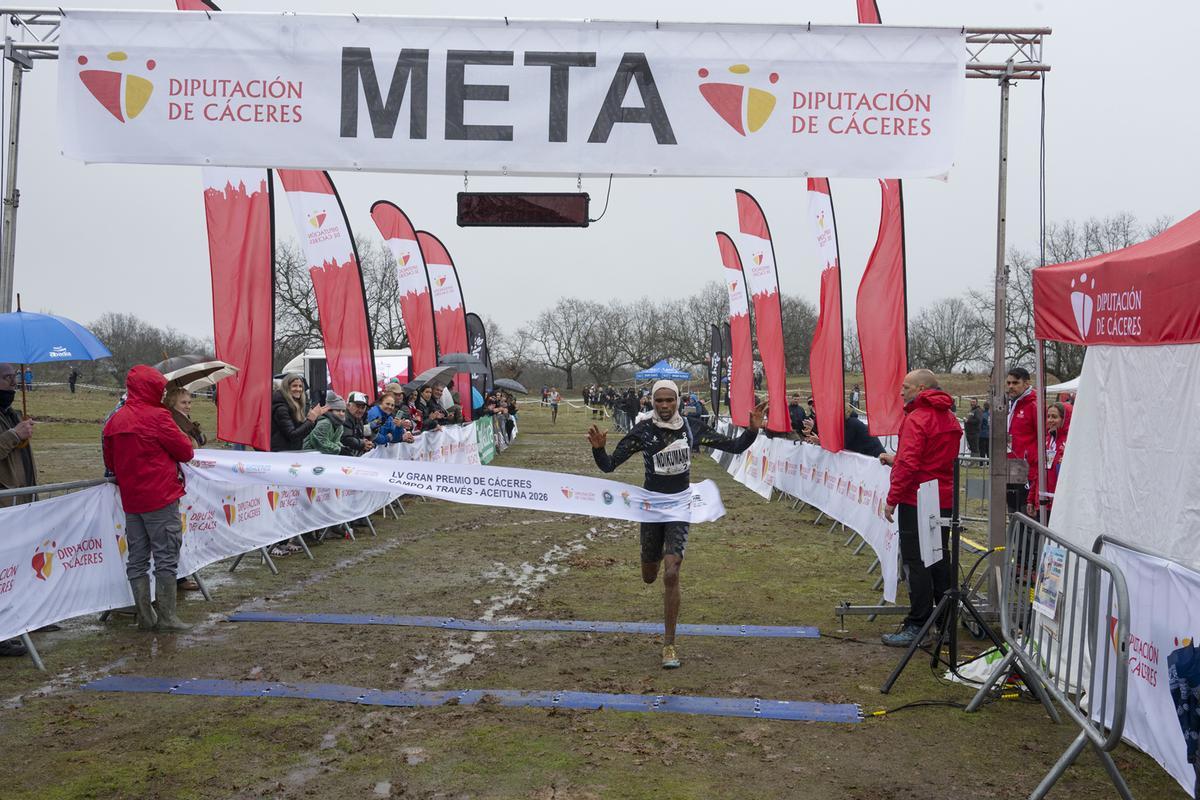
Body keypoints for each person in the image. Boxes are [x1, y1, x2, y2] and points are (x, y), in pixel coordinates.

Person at [587, 380, 766, 669]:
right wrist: (599, 450)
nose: (665, 406)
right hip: (651, 508)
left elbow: (732, 446)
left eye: (670, 400)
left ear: (678, 401)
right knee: (649, 575)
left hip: (681, 505)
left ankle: (669, 645)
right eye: (660, 401)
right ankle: (654, 554)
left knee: (672, 573)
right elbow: (609, 465)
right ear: (652, 402)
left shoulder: (691, 427)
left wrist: (753, 429)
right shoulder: (643, 431)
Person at [102, 366, 196, 632]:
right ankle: (167, 617)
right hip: (160, 495)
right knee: (166, 555)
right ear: (152, 388)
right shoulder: (158, 416)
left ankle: (145, 616)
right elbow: (185, 451)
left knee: (138, 558)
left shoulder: (115, 420)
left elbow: (110, 461)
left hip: (132, 499)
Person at [879, 369, 962, 648]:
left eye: (906, 387)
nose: (901, 391)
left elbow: (911, 464)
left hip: (917, 499)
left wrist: (893, 497)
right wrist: (897, 458)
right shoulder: (949, 418)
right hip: (943, 498)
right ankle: (945, 622)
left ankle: (918, 623)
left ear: (921, 388)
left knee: (917, 563)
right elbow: (931, 459)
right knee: (939, 560)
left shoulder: (917, 419)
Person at [0, 363, 35, 656]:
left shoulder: (11, 413)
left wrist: (21, 433)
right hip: (4, 501)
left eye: (16, 377)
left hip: (20, 500)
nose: (14, 383)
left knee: (19, 564)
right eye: (8, 378)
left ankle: (25, 618)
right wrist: (13, 435)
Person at [1005, 367, 1038, 514]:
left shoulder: (1033, 405)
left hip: (1026, 468)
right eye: (1009, 383)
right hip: (1010, 465)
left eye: (1015, 383)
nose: (1011, 386)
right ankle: (1014, 537)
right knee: (1012, 510)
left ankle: (1025, 538)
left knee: (1024, 513)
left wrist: (1032, 459)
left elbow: (1041, 436)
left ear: (1026, 383)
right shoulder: (1013, 404)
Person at [1027, 402, 1068, 520]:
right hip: (1043, 501)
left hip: (1060, 503)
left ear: (1064, 419)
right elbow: (1038, 472)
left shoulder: (1070, 442)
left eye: (1054, 417)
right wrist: (1031, 499)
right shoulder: (1046, 440)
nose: (1050, 420)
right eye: (1048, 416)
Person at [271, 373, 327, 452]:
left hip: (291, 451)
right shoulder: (281, 408)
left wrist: (314, 418)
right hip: (281, 453)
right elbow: (293, 435)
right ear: (286, 388)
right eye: (294, 386)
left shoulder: (295, 405)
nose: (298, 389)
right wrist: (310, 420)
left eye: (300, 386)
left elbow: (301, 433)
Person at [341, 391, 374, 457]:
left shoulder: (358, 418)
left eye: (363, 407)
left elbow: (358, 436)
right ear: (348, 406)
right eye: (358, 406)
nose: (360, 410)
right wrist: (362, 443)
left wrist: (366, 442)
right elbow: (345, 439)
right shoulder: (345, 418)